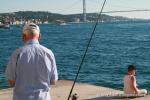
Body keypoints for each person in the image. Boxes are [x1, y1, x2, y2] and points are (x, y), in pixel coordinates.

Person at [5, 23, 58, 100]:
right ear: (40, 36)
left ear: (23, 36)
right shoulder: (49, 53)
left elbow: (11, 82)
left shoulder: (17, 54)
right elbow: (53, 81)